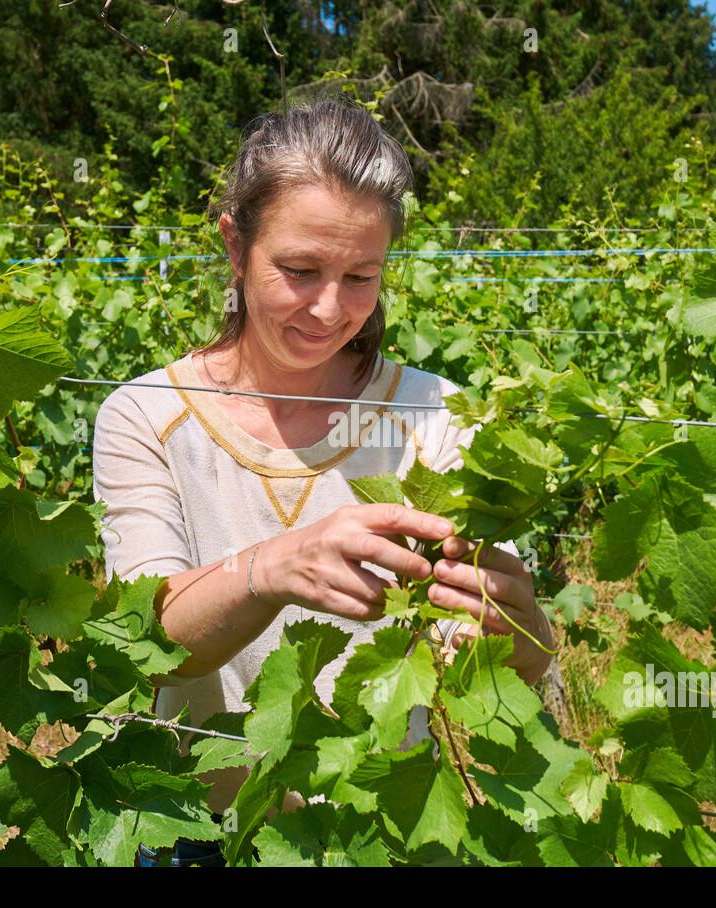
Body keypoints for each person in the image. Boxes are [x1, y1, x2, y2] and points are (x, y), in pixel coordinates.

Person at [91, 95, 555, 866]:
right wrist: (270, 569)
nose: (330, 308)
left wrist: (522, 638)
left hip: (380, 831)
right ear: (235, 246)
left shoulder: (434, 414)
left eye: (362, 276)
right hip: (200, 832)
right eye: (299, 270)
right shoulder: (146, 416)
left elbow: (500, 659)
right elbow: (149, 646)